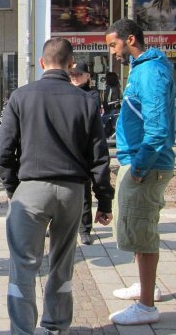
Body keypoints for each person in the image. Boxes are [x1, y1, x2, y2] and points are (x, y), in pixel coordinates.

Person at [0, 37, 113, 335]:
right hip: (72, 191)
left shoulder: (20, 97)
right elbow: (98, 156)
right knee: (62, 262)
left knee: (23, 264)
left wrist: (14, 190)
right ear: (71, 64)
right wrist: (104, 201)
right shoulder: (87, 101)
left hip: (31, 188)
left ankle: (23, 330)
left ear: (42, 63)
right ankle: (56, 326)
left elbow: (4, 153)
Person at [105, 18, 175, 326]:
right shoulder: (142, 68)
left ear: (130, 39)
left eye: (112, 45)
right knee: (133, 227)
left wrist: (140, 167)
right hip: (138, 160)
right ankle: (146, 287)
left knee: (143, 232)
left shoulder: (150, 72)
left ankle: (147, 306)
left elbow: (157, 127)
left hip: (146, 165)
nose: (111, 52)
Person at [69, 62, 100, 246]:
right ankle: (54, 224)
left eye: (79, 74)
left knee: (84, 191)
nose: (75, 77)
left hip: (85, 149)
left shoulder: (92, 95)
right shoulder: (66, 91)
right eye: (72, 74)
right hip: (67, 146)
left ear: (88, 76)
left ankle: (85, 229)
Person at [101, 71, 122, 136]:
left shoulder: (109, 87)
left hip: (110, 109)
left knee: (102, 123)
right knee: (115, 126)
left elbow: (107, 99)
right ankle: (115, 139)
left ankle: (106, 138)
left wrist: (104, 106)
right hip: (117, 108)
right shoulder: (117, 87)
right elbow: (121, 97)